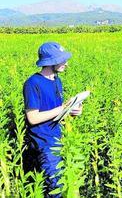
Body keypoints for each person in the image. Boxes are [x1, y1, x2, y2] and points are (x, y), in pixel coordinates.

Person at [23, 42, 82, 197]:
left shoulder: (56, 80)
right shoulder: (32, 83)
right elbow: (33, 118)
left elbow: (56, 112)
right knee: (56, 189)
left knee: (58, 187)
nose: (66, 64)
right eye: (62, 60)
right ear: (50, 61)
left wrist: (71, 110)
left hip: (58, 140)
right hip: (44, 143)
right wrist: (62, 108)